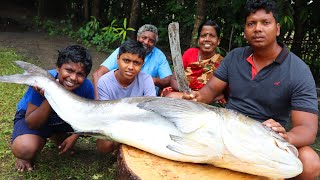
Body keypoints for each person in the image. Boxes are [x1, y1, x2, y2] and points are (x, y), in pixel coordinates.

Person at [183, 0, 320, 179]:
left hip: (266, 139)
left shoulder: (298, 70)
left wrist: (287, 137)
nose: (257, 29)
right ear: (245, 30)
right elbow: (209, 91)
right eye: (251, 24)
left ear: (277, 28)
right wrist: (195, 97)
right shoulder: (235, 57)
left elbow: (308, 128)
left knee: (310, 162)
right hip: (227, 132)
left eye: (265, 22)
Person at [11, 45, 94, 172]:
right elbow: (32, 123)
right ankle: (29, 150)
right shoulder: (43, 81)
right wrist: (51, 95)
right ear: (58, 68)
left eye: (80, 74)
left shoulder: (87, 87)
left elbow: (87, 118)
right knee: (24, 148)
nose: (73, 78)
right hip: (34, 116)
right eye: (69, 70)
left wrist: (74, 137)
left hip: (61, 118)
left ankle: (56, 135)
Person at [96, 39, 156, 153]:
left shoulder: (146, 79)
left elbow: (151, 111)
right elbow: (105, 116)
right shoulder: (104, 81)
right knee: (104, 146)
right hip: (113, 124)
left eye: (136, 63)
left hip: (138, 124)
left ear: (142, 64)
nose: (131, 67)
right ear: (118, 59)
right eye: (126, 60)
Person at [92, 24, 172, 98]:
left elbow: (168, 80)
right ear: (137, 37)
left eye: (151, 41)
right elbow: (98, 74)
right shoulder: (124, 51)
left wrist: (151, 81)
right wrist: (99, 103)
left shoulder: (158, 56)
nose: (146, 42)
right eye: (144, 38)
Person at [162, 20, 225, 104]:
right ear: (199, 39)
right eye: (203, 36)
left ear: (218, 40)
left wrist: (201, 96)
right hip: (185, 94)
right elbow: (174, 79)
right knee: (169, 95)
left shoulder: (222, 62)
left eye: (212, 36)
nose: (207, 39)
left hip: (209, 98)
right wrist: (188, 93)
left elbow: (223, 92)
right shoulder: (190, 53)